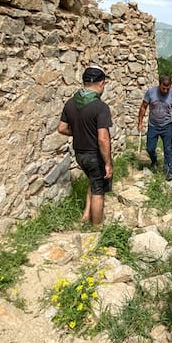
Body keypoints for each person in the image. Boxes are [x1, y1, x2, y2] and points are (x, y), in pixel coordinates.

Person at [57, 65, 113, 227]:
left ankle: (86, 215)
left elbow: (61, 128)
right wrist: (108, 163)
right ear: (101, 83)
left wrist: (79, 133)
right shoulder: (100, 107)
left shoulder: (70, 103)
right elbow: (103, 139)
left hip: (79, 154)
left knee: (93, 180)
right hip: (94, 154)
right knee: (98, 190)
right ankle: (96, 227)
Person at [137, 74, 172, 180]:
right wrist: (140, 122)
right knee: (150, 148)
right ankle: (154, 160)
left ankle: (169, 172)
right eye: (163, 88)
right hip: (153, 125)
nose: (166, 91)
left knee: (168, 149)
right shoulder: (151, 92)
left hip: (167, 126)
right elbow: (143, 107)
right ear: (159, 85)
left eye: (168, 88)